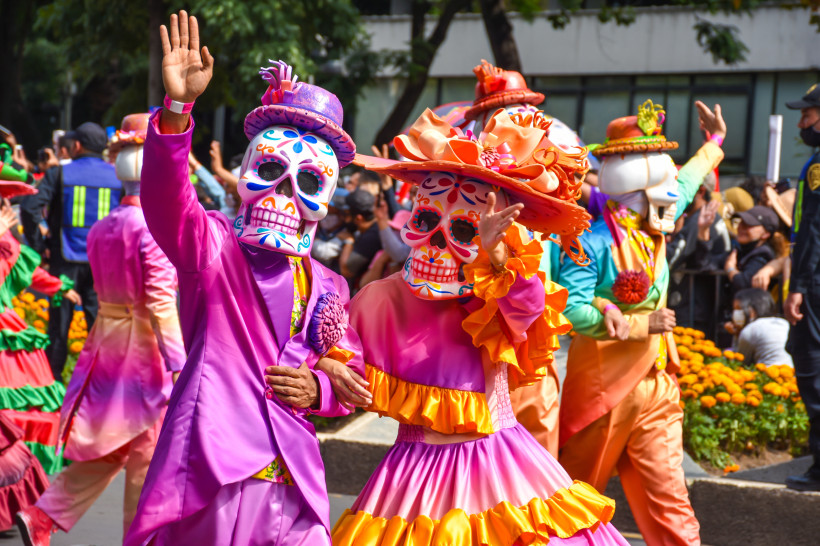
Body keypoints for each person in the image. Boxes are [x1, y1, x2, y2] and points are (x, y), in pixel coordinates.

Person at [322, 108, 628, 545]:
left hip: (498, 464)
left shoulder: (496, 293)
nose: (439, 242)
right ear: (412, 219)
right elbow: (337, 367)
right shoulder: (379, 300)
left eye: (464, 229)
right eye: (426, 222)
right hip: (413, 476)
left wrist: (495, 257)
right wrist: (327, 370)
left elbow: (525, 314)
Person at [123, 12, 366, 545]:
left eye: (306, 183)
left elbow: (352, 378)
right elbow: (167, 201)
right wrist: (178, 111)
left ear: (324, 200)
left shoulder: (329, 283)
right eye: (269, 172)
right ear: (245, 176)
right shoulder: (211, 245)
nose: (282, 195)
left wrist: (320, 386)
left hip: (295, 477)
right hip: (216, 472)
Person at [557, 99, 726, 546]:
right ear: (638, 190)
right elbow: (571, 307)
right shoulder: (590, 241)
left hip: (657, 386)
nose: (677, 200)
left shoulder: (656, 223)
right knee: (572, 499)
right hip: (602, 389)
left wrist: (715, 143)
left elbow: (686, 183)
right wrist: (638, 325)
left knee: (671, 506)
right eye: (666, 189)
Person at [15, 113, 186, 545]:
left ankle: (44, 514)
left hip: (105, 344)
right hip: (145, 350)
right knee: (147, 453)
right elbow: (162, 303)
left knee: (116, 446)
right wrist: (180, 365)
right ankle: (140, 538)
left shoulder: (105, 225)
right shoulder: (154, 228)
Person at [0, 178, 77, 533]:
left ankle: (13, 500)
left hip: (9, 335)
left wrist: (62, 287)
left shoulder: (7, 244)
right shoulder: (5, 243)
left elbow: (32, 273)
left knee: (18, 416)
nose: (8, 211)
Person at [20, 121, 121, 381]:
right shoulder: (117, 176)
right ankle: (101, 388)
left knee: (59, 329)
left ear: (76, 145)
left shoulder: (59, 174)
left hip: (64, 263)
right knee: (101, 327)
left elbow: (31, 208)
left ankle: (52, 386)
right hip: (104, 266)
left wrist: (38, 247)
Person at [783, 83, 820, 491]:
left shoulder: (818, 166)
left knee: (813, 371)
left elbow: (813, 231)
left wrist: (799, 286)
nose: (801, 123)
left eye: (808, 116)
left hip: (816, 283)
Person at [731, 288, 792, 367]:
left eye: (739, 309)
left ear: (752, 311)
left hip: (766, 376)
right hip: (791, 373)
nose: (735, 314)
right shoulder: (782, 322)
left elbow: (739, 362)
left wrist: (736, 336)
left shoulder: (751, 329)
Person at [339, 189, 381, 286]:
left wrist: (348, 242)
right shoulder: (372, 228)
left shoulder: (372, 236)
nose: (346, 219)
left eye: (347, 214)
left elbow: (346, 271)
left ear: (359, 218)